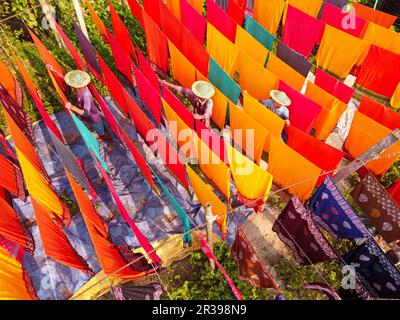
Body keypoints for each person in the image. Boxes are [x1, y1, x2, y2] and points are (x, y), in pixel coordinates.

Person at [64, 70, 114, 152]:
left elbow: (86, 113)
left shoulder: (86, 94)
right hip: (86, 116)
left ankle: (111, 142)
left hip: (93, 117)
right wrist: (53, 70)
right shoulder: (78, 88)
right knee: (93, 127)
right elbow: (66, 80)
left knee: (102, 131)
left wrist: (71, 107)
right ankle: (100, 135)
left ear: (79, 85)